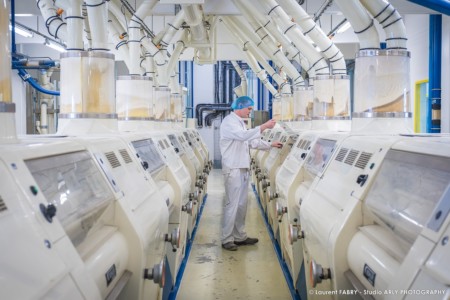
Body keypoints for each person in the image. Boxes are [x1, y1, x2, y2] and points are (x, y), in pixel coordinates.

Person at [220, 96, 283, 251]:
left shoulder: (240, 123)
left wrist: (270, 144)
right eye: (249, 109)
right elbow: (243, 136)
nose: (250, 112)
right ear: (240, 107)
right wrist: (264, 127)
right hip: (233, 167)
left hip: (242, 167)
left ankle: (239, 236)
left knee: (242, 204)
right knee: (232, 204)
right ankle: (227, 239)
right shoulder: (229, 122)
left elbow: (251, 141)